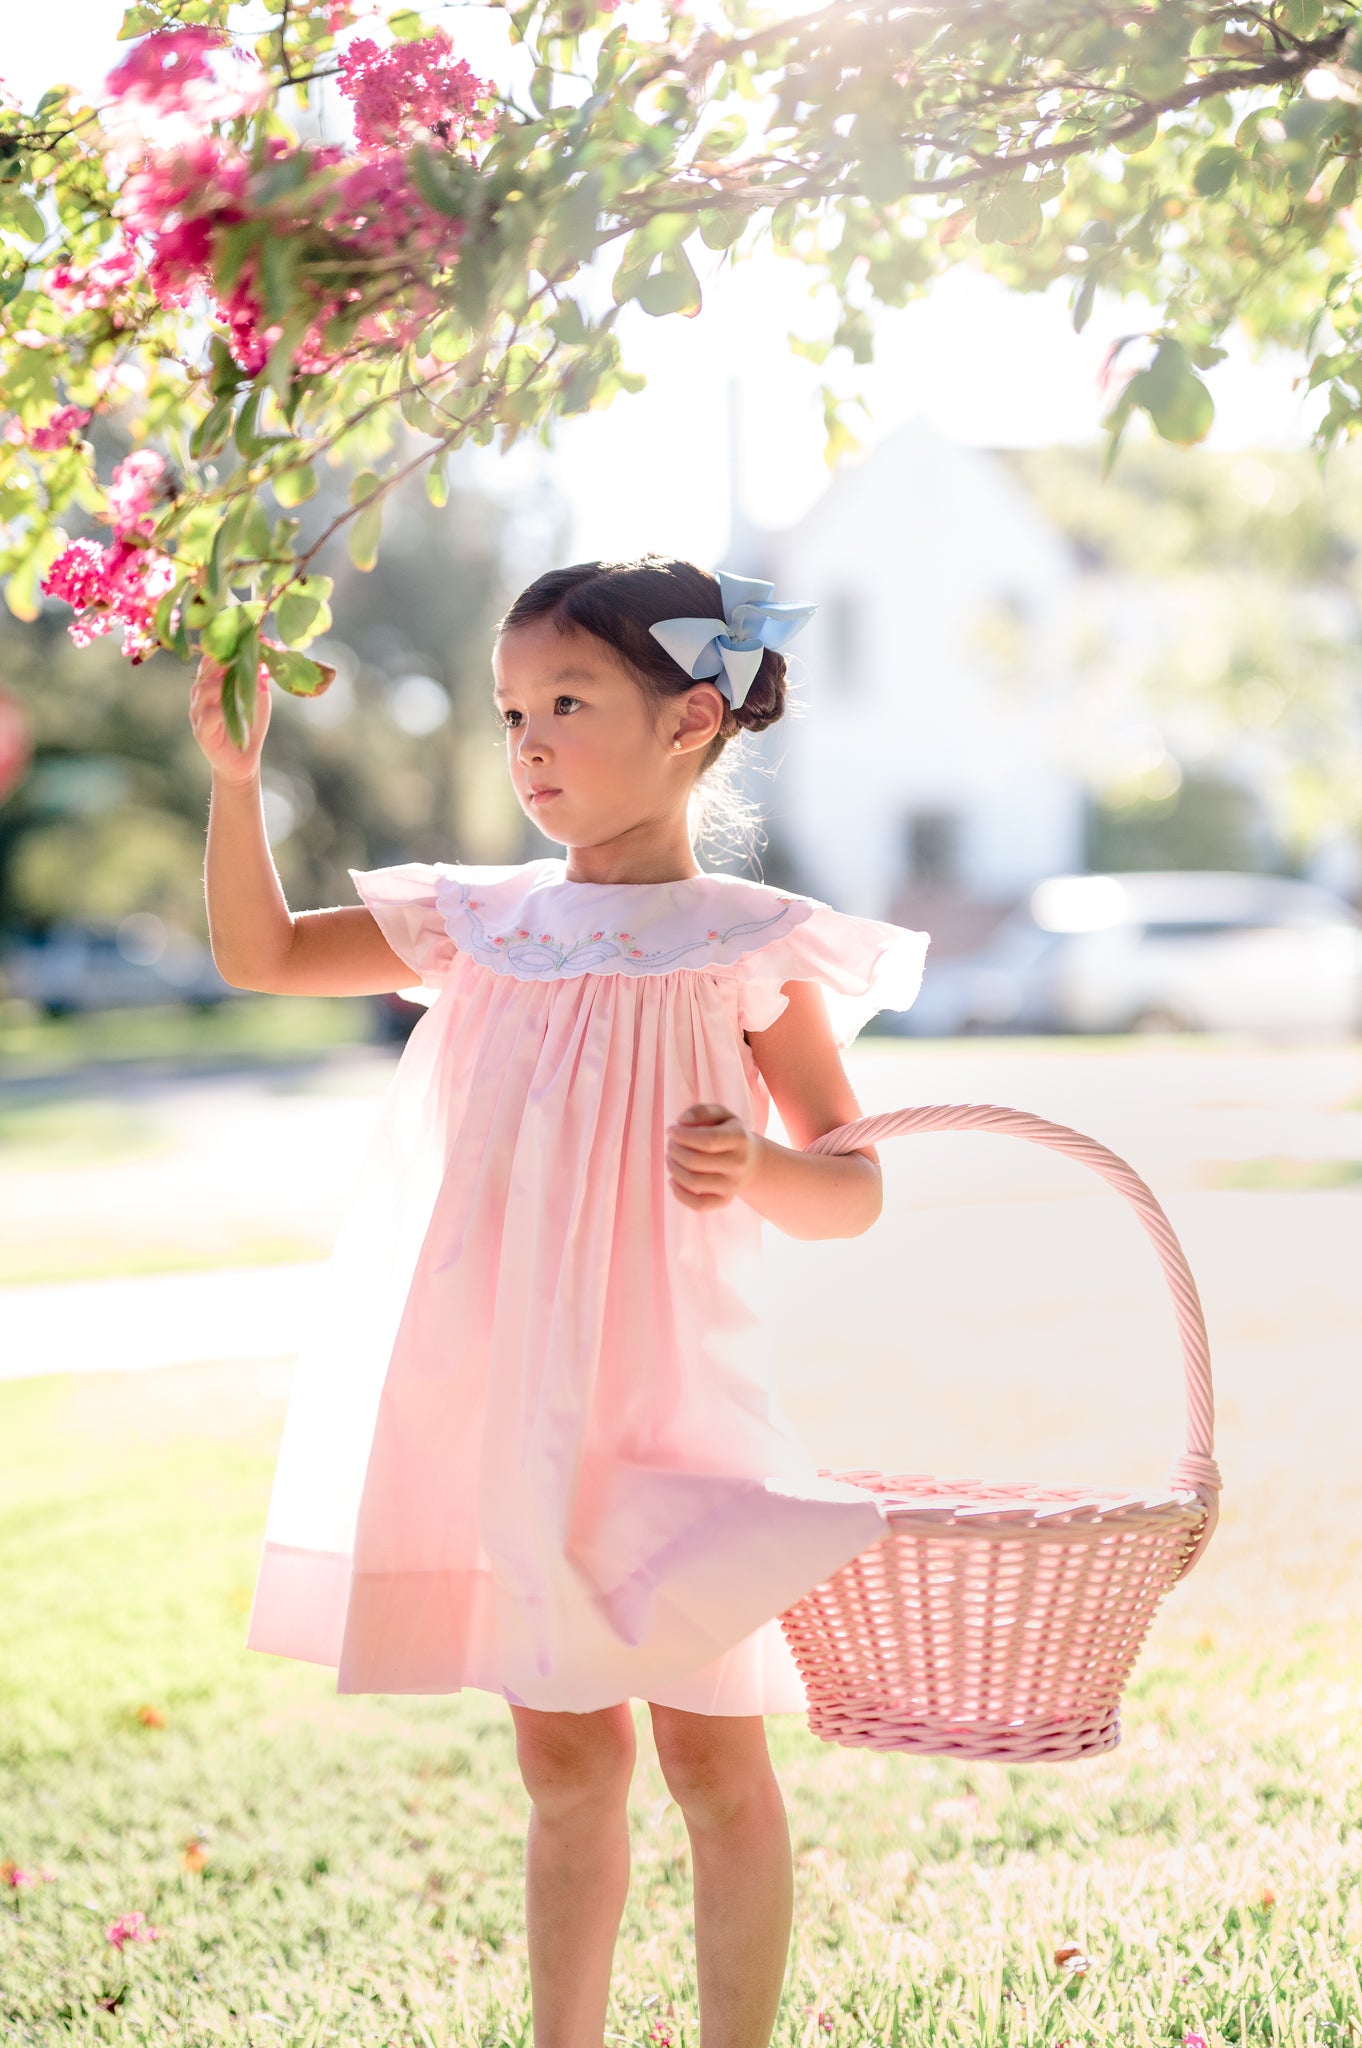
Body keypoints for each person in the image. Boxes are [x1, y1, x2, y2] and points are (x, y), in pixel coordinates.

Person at [190, 555, 929, 2048]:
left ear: (690, 721)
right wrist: (232, 777)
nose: (525, 740)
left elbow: (851, 1186)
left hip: (677, 1404)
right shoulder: (481, 924)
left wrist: (755, 1177)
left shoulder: (747, 945)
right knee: (567, 1761)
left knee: (717, 1766)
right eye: (509, 708)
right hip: (515, 1401)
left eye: (567, 703)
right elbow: (260, 957)